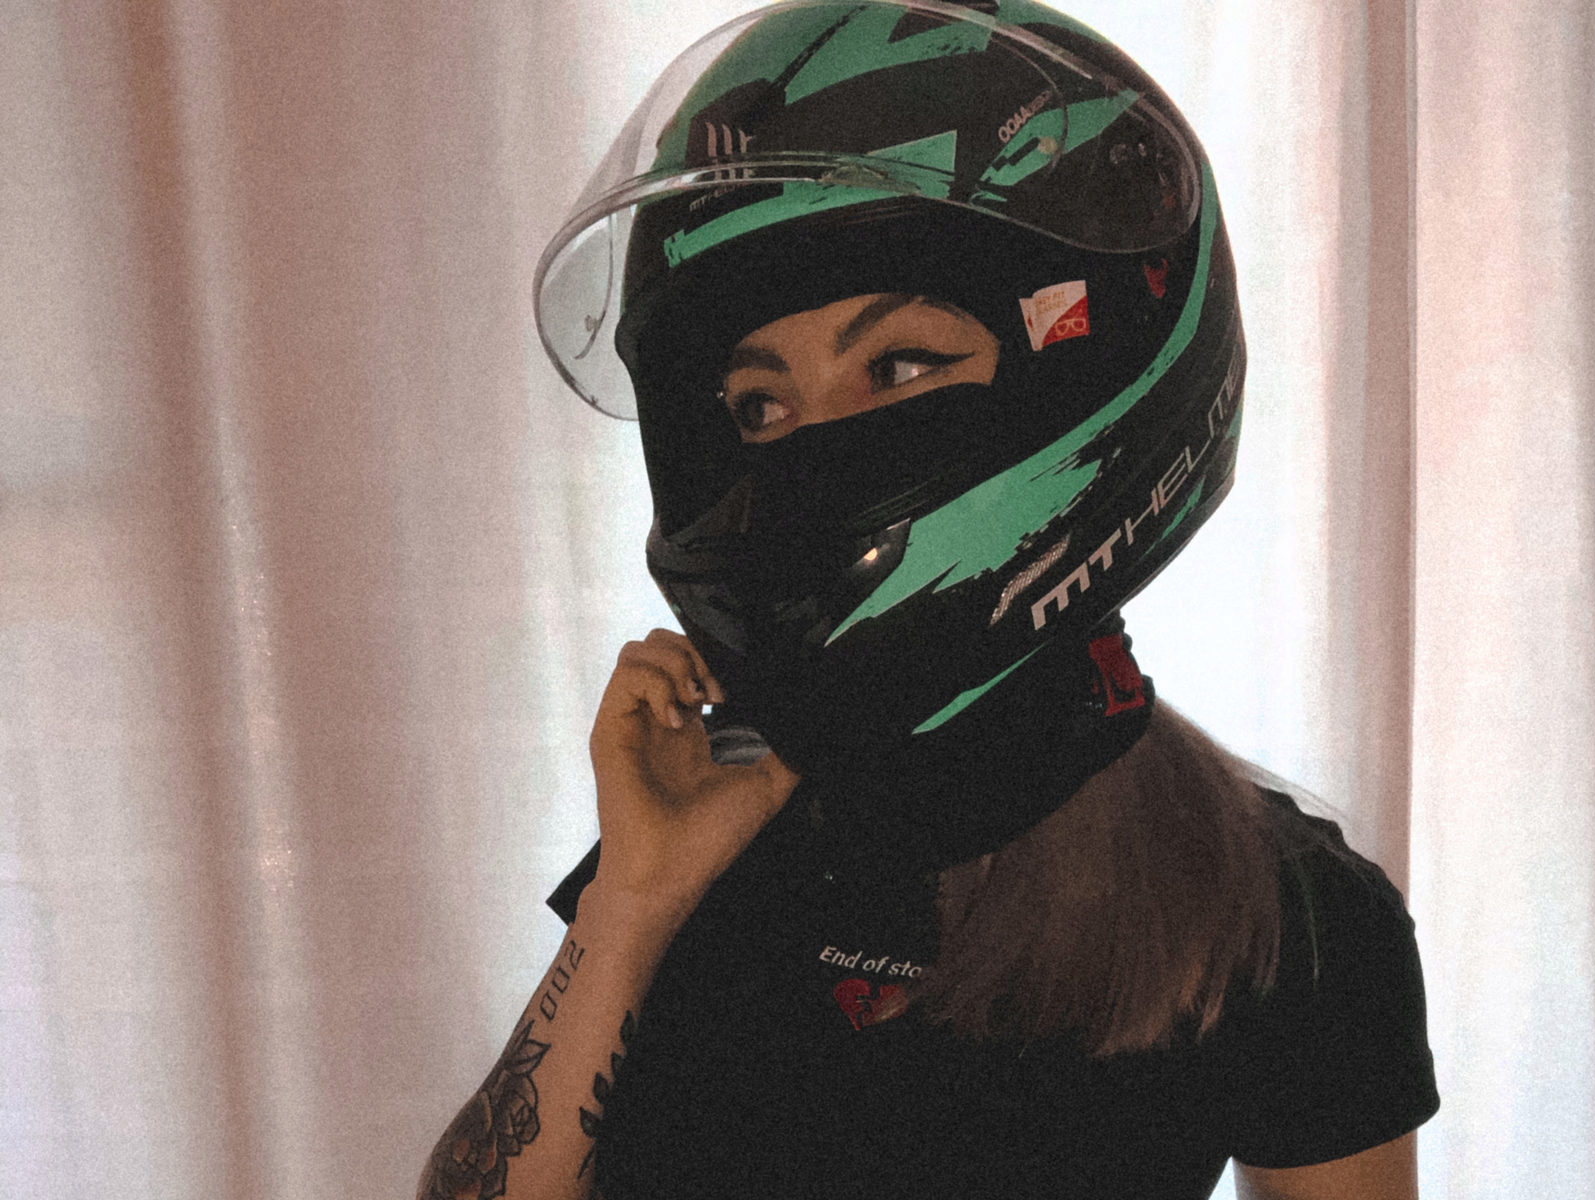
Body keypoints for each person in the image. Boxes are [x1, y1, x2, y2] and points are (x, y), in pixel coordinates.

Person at [418, 3, 1439, 1197]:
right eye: (760, 406)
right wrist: (633, 899)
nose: (809, 449)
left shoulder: (1281, 912)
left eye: (898, 365)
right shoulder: (717, 828)